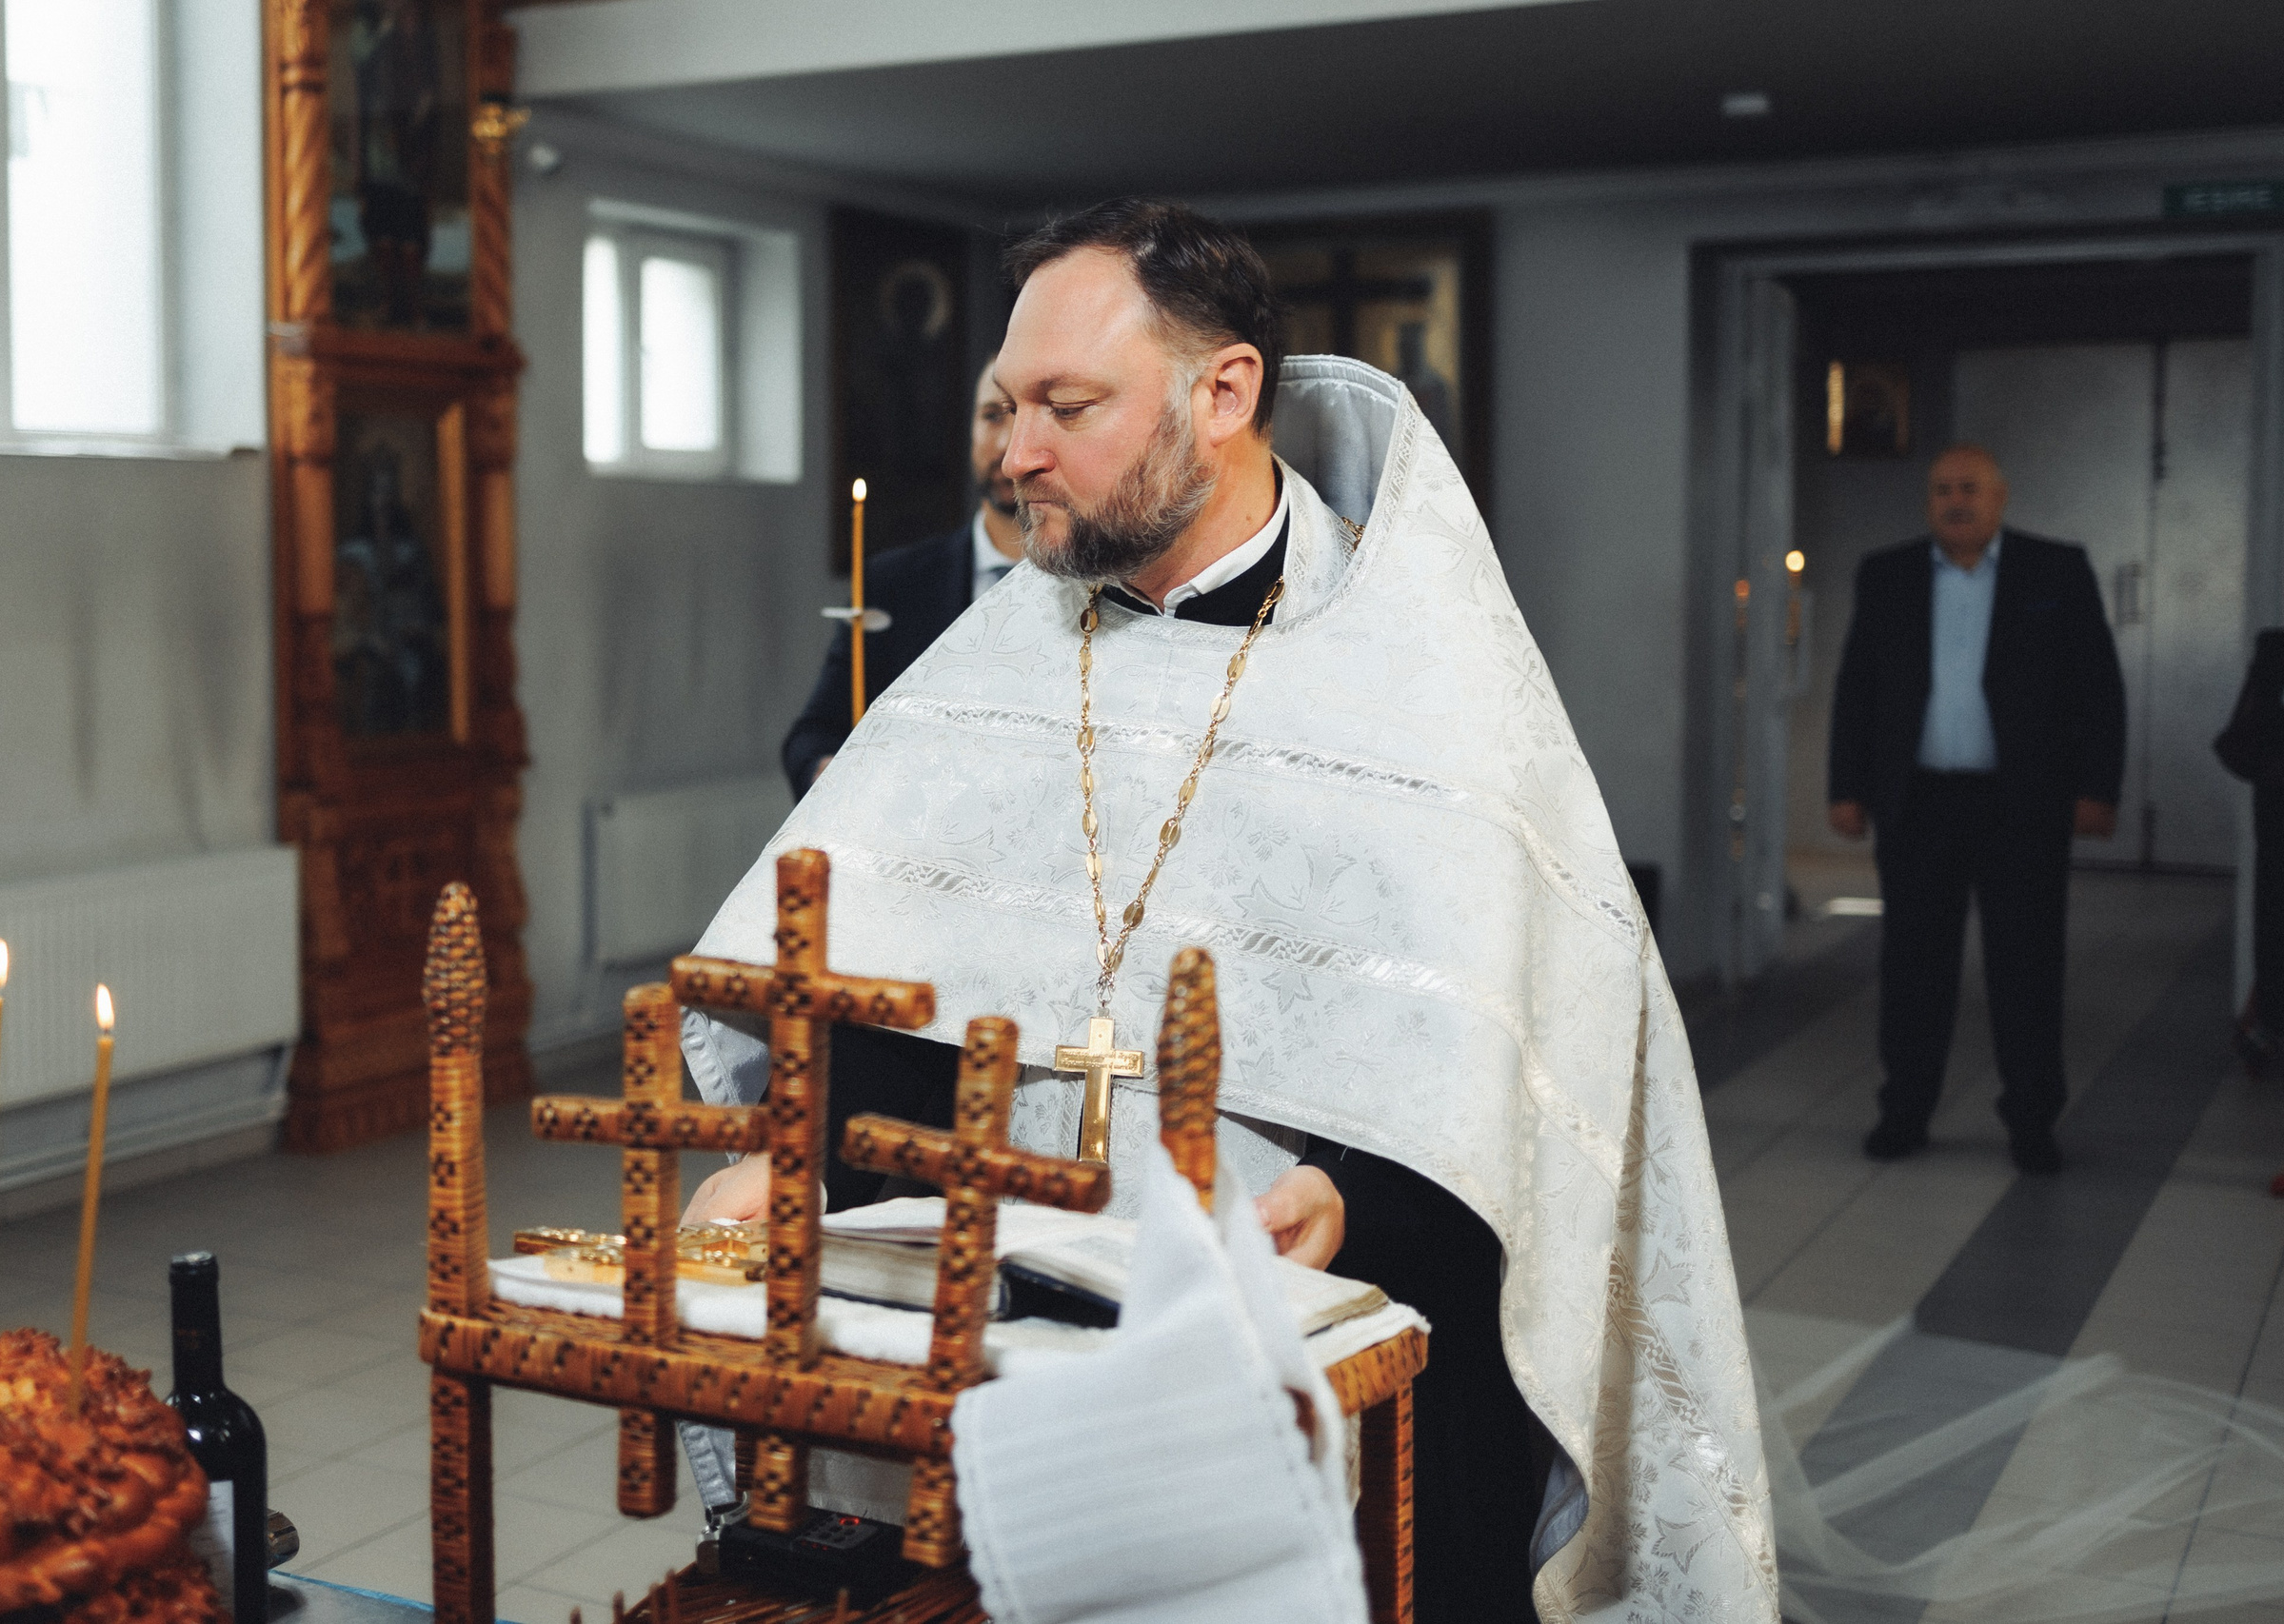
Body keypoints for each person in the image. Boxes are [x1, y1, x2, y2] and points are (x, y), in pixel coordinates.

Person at [678, 200, 1775, 1621]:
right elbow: (888, 981)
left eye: (1069, 407)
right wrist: (807, 1155)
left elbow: (1531, 1052)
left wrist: (1358, 1195)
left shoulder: (1425, 680)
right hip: (1009, 1356)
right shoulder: (986, 665)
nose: (1016, 456)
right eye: (1011, 407)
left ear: (1226, 389)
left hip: (1319, 1354)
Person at [1827, 444, 2126, 1175]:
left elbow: (2098, 686)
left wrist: (2098, 788)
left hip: (2020, 801)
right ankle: (1905, 1112)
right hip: (1919, 801)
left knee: (2027, 964)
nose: (1954, 501)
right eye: (1941, 490)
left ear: (1999, 498)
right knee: (1913, 964)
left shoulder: (2055, 570)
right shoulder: (1888, 574)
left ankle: (2031, 1120)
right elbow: (1858, 685)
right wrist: (1846, 786)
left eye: (1969, 489)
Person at [780, 356, 1025, 796]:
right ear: (968, 430)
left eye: (1022, 416)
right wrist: (830, 773)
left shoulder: (1110, 583)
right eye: (991, 416)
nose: (1007, 442)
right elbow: (814, 734)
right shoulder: (894, 583)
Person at [2214, 629, 2284, 1073]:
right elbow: (2237, 741)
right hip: (2278, 818)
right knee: (2275, 920)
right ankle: (2268, 1022)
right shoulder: (2274, 652)